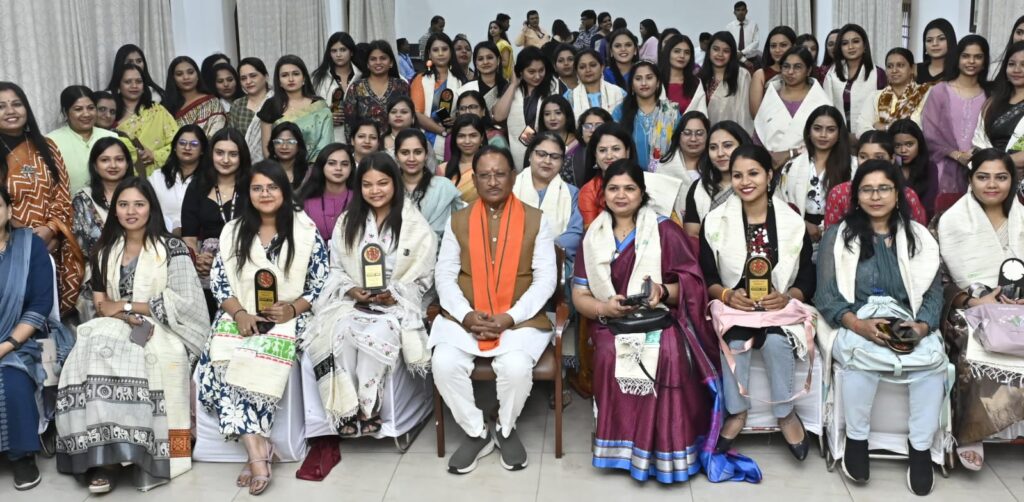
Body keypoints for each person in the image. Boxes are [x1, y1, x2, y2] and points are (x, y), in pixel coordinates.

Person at [56, 176, 208, 493]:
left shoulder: (173, 248)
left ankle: (131, 454)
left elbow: (185, 302)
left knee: (126, 353)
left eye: (139, 204)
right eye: (123, 205)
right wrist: (123, 314)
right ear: (115, 210)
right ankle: (100, 455)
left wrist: (126, 306)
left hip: (165, 327)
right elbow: (101, 304)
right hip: (116, 322)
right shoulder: (104, 250)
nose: (131, 211)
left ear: (151, 208)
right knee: (88, 350)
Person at [572, 158, 720, 482]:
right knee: (612, 352)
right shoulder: (593, 235)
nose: (621, 195)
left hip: (660, 318)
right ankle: (625, 447)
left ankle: (664, 449)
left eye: (629, 188)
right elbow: (580, 295)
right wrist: (605, 308)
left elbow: (692, 287)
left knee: (667, 353)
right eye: (613, 188)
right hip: (611, 322)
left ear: (642, 192)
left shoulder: (665, 230)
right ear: (604, 194)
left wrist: (661, 291)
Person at [814, 159, 946, 496]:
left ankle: (920, 450)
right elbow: (826, 295)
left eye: (884, 189)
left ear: (897, 194)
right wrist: (858, 325)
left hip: (907, 317)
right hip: (855, 318)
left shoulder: (919, 237)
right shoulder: (837, 236)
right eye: (867, 190)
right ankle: (856, 441)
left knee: (932, 361)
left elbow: (934, 292)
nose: (875, 196)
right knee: (861, 358)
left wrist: (922, 327)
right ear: (856, 196)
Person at [196, 160, 327, 496]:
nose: (265, 194)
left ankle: (256, 456)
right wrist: (239, 314)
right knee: (219, 356)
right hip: (240, 313)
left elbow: (320, 282)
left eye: (272, 187)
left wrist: (292, 308)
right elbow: (221, 283)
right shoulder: (233, 231)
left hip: (291, 316)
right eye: (257, 188)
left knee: (254, 353)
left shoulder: (304, 229)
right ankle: (258, 449)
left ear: (284, 191)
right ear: (248, 193)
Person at [430, 145, 557, 474]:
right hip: (467, 318)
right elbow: (444, 275)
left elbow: (545, 280)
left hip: (519, 319)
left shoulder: (536, 220)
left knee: (515, 367)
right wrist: (465, 315)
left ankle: (505, 427)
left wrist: (510, 317)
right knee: (443, 363)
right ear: (474, 179)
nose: (492, 181)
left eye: (500, 174)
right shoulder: (458, 220)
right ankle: (477, 432)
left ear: (513, 177)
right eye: (484, 175)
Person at [305, 151, 436, 447]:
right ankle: (347, 409)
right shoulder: (347, 221)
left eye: (382, 183)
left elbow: (424, 274)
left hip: (395, 305)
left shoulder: (413, 224)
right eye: (367, 184)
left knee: (377, 333)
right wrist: (351, 289)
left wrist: (395, 293)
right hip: (355, 302)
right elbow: (335, 268)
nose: (375, 190)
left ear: (395, 184)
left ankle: (369, 408)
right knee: (339, 333)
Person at [701, 144, 815, 460]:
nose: (745, 181)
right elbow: (707, 275)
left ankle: (786, 414)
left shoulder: (792, 223)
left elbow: (807, 276)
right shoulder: (715, 221)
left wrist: (788, 297)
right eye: (737, 175)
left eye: (753, 173)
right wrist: (727, 294)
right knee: (736, 343)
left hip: (779, 307)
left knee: (777, 344)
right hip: (734, 307)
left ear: (769, 175)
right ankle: (737, 413)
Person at [934, 148, 1024, 472]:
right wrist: (972, 301)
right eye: (983, 177)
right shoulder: (949, 221)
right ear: (970, 179)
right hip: (971, 308)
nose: (992, 185)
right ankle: (973, 431)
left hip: (1020, 306)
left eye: (1001, 177)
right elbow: (936, 278)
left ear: (1012, 181)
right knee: (969, 338)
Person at [0, 82, 81, 316]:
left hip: (52, 242)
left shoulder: (47, 146)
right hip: (7, 246)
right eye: (1, 106)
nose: (10, 111)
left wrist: (51, 229)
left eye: (16, 104)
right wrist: (27, 239)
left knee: (47, 312)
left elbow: (62, 194)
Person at [0, 185, 58, 491]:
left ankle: (21, 456)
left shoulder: (29, 246)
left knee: (12, 376)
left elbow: (40, 304)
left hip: (21, 339)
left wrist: (7, 345)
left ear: (9, 210)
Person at [181, 128, 251, 315]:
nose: (225, 160)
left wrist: (223, 261)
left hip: (245, 258)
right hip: (206, 263)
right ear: (211, 154)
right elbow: (189, 236)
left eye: (233, 154)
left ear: (242, 157)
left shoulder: (252, 186)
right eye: (220, 153)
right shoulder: (197, 186)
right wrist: (198, 259)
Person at [922, 35, 990, 207]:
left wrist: (974, 156)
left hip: (981, 169)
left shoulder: (990, 95)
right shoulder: (940, 91)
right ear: (957, 59)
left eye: (978, 57)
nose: (971, 61)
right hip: (942, 170)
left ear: (984, 61)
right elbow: (929, 133)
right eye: (966, 56)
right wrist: (957, 155)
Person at [70, 138, 132, 321]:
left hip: (139, 267)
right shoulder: (83, 199)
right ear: (95, 166)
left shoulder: (141, 194)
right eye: (105, 160)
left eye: (119, 159)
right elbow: (85, 244)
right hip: (98, 273)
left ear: (128, 163)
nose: (113, 165)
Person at [778, 105, 854, 253]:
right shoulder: (792, 165)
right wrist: (803, 224)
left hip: (842, 235)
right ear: (809, 132)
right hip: (799, 234)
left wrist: (826, 228)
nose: (823, 135)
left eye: (830, 130)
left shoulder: (853, 166)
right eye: (817, 129)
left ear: (839, 134)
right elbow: (781, 203)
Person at [824, 130, 928, 228]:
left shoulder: (908, 195)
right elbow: (831, 236)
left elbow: (917, 234)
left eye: (879, 157)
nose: (870, 163)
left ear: (892, 159)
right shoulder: (839, 193)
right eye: (863, 157)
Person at [754, 47, 833, 168]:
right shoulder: (772, 95)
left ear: (808, 70)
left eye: (797, 67)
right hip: (769, 165)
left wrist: (791, 153)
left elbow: (828, 140)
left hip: (808, 166)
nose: (790, 72)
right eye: (786, 66)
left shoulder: (820, 101)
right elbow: (759, 133)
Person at [47, 85, 134, 194]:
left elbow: (127, 176)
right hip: (67, 203)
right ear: (65, 112)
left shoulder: (111, 137)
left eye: (91, 108)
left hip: (109, 202)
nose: (86, 114)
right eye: (78, 109)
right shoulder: (51, 141)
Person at [513, 132, 583, 261]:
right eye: (541, 154)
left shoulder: (572, 194)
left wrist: (543, 251)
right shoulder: (510, 187)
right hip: (512, 257)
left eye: (555, 157)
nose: (547, 161)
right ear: (530, 156)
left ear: (562, 161)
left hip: (555, 261)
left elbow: (575, 234)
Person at [680, 120, 752, 237]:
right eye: (713, 147)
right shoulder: (699, 189)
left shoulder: (756, 183)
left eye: (727, 145)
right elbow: (692, 235)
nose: (720, 153)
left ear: (742, 146)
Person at [493, 47, 559, 170]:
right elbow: (498, 116)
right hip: (516, 151)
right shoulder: (512, 89)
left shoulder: (553, 88)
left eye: (541, 70)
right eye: (531, 72)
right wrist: (513, 85)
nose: (537, 76)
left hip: (547, 148)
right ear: (521, 72)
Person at [259, 55, 333, 163]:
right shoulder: (271, 106)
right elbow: (267, 150)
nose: (291, 79)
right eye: (285, 75)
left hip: (316, 167)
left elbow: (326, 144)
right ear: (279, 81)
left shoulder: (319, 105)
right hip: (281, 168)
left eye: (296, 74)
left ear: (304, 78)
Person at [612, 61, 682, 169]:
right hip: (629, 175)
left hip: (665, 175)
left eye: (649, 78)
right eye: (638, 78)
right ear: (632, 85)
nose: (644, 83)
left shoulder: (671, 112)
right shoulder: (619, 112)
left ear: (658, 83)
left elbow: (679, 148)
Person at [396, 128, 463, 239]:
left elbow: (460, 225)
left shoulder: (443, 187)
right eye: (405, 153)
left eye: (418, 152)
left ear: (426, 155)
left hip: (440, 248)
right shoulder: (390, 189)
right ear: (396, 156)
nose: (411, 158)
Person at [112, 64, 179, 174]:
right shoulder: (111, 114)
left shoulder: (157, 111)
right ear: (118, 86)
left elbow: (178, 143)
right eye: (128, 82)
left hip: (158, 175)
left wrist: (154, 155)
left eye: (139, 81)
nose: (134, 86)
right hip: (122, 176)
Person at [412, 33, 468, 161]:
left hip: (453, 140)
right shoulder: (420, 79)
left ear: (451, 52)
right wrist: (442, 131)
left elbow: (465, 110)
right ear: (429, 54)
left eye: (444, 49)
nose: (441, 53)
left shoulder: (460, 80)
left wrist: (456, 119)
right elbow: (417, 114)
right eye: (436, 50)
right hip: (424, 140)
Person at [854, 48, 932, 137]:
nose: (894, 70)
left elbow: (929, 130)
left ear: (912, 68)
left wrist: (883, 127)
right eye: (889, 66)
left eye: (900, 65)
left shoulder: (926, 94)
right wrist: (888, 127)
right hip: (882, 146)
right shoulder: (874, 97)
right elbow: (861, 131)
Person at [824, 24, 887, 132]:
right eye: (845, 43)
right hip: (839, 135)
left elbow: (883, 111)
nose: (850, 47)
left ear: (865, 45)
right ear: (840, 48)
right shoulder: (831, 74)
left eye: (856, 41)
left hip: (869, 134)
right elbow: (827, 107)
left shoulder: (878, 74)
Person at [340, 40, 411, 135]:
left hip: (397, 142)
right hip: (365, 142)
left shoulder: (401, 86)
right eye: (373, 59)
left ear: (391, 63)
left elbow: (409, 120)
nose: (378, 62)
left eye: (383, 58)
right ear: (367, 64)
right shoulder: (355, 88)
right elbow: (349, 125)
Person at [973, 41, 1024, 170]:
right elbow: (979, 141)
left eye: (1023, 65)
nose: (1017, 70)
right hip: (990, 173)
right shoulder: (992, 102)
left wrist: (1000, 163)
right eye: (1011, 64)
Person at [148, 124, 207, 234]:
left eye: (194, 144)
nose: (187, 147)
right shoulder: (157, 177)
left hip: (199, 240)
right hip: (161, 237)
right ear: (174, 147)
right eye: (182, 143)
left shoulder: (209, 180)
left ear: (202, 150)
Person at [578, 123, 638, 227]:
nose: (609, 156)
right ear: (595, 155)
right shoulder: (589, 191)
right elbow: (592, 232)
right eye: (602, 150)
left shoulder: (646, 181)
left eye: (616, 149)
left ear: (627, 152)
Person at [312, 32, 363, 144]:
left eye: (343, 50)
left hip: (358, 139)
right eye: (334, 51)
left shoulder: (362, 76)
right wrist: (326, 116)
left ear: (351, 52)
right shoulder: (318, 78)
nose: (338, 54)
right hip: (328, 139)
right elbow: (309, 111)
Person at [700, 32, 754, 132]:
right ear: (709, 50)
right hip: (703, 136)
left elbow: (744, 113)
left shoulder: (742, 76)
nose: (720, 54)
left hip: (732, 135)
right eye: (716, 49)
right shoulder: (701, 77)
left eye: (726, 51)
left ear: (732, 54)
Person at [299, 143, 354, 240]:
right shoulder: (306, 200)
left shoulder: (359, 198)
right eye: (332, 163)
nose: (338, 168)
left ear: (351, 167)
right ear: (321, 166)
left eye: (344, 164)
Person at [163, 56, 226, 137]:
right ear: (173, 79)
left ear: (197, 75)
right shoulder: (166, 107)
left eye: (190, 72)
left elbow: (216, 136)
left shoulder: (212, 103)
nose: (186, 77)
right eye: (179, 74)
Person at [656, 110, 709, 199]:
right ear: (679, 136)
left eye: (699, 133)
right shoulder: (664, 167)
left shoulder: (715, 167)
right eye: (687, 133)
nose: (693, 139)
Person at [229, 57, 273, 162]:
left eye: (253, 76)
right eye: (243, 78)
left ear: (266, 77)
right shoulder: (238, 105)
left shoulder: (277, 102)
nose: (248, 81)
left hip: (274, 163)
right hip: (243, 163)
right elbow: (232, 137)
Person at [749, 26, 797, 116]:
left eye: (783, 45)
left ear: (794, 46)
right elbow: (755, 114)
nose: (777, 50)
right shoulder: (760, 75)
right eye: (773, 46)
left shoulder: (801, 72)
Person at [567, 49, 626, 120]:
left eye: (593, 65)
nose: (588, 70)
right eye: (582, 67)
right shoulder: (570, 97)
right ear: (576, 71)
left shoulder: (619, 93)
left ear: (602, 67)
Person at [659, 35, 708, 117]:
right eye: (677, 51)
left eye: (687, 52)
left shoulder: (696, 83)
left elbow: (702, 115)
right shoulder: (656, 80)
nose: (682, 56)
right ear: (668, 52)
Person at [441, 115, 487, 202]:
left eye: (473, 136)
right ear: (455, 139)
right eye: (461, 136)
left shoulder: (491, 167)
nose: (467, 141)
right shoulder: (443, 169)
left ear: (482, 138)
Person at [564, 107, 613, 187]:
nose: (593, 130)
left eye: (598, 125)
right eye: (587, 126)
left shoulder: (618, 155)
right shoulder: (570, 160)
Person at [889, 119, 931, 208]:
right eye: (897, 146)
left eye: (909, 144)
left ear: (919, 143)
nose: (903, 150)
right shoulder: (887, 167)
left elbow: (928, 204)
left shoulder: (930, 167)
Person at [459, 41, 509, 111]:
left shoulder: (508, 87)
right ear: (476, 63)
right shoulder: (466, 88)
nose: (485, 62)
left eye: (490, 57)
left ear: (498, 60)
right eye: (480, 59)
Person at [267, 122, 310, 189]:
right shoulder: (263, 172)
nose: (284, 147)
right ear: (272, 145)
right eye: (278, 142)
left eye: (291, 142)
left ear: (299, 145)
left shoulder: (309, 174)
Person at [536, 95, 579, 162]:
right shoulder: (537, 143)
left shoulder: (578, 142)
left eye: (558, 113)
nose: (552, 118)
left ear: (567, 115)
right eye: (547, 114)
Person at [918, 19, 958, 84]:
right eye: (929, 40)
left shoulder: (959, 72)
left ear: (950, 41)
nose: (935, 44)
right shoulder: (915, 70)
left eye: (941, 39)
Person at [726, 1, 760, 70]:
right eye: (738, 10)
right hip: (735, 60)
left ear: (746, 11)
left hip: (752, 60)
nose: (740, 12)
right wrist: (744, 60)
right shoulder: (729, 27)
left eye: (743, 10)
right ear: (734, 12)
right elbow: (730, 45)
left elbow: (756, 42)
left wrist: (742, 52)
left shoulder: (753, 25)